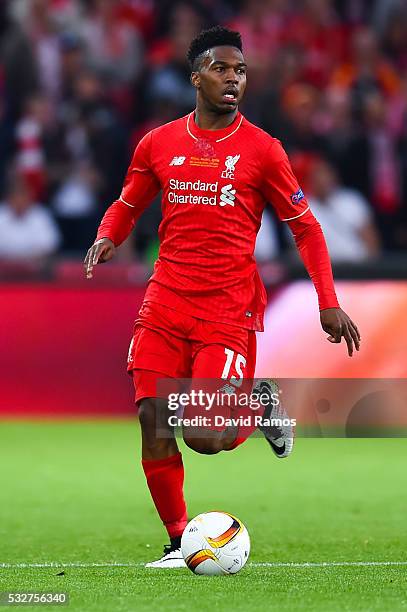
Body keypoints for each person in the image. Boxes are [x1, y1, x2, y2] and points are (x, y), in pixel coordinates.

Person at [84, 26, 360, 569]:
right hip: (165, 299)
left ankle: (256, 403)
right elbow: (128, 201)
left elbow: (306, 229)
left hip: (227, 307)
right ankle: (176, 539)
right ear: (196, 77)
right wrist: (106, 235)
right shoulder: (158, 143)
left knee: (206, 437)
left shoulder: (263, 150)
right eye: (221, 69)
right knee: (152, 416)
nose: (233, 79)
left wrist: (326, 299)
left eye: (240, 72)